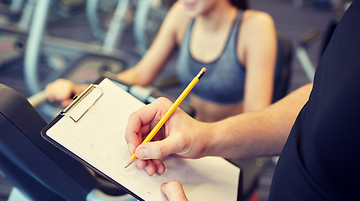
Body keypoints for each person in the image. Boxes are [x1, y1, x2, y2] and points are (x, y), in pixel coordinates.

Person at [125, 0, 360, 201]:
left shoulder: (255, 26)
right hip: (197, 136)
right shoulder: (181, 14)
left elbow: (257, 111)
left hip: (236, 155)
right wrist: (89, 87)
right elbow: (321, 96)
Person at [46, 0, 277, 122]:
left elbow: (257, 116)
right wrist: (80, 90)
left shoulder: (255, 27)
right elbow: (141, 74)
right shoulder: (182, 13)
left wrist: (205, 137)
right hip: (188, 126)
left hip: (228, 143)